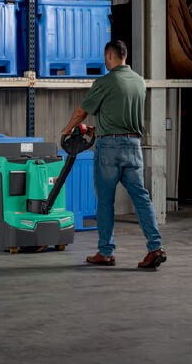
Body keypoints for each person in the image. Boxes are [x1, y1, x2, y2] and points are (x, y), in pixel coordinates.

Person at [61, 39, 167, 269]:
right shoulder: (139, 82)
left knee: (105, 202)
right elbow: (124, 117)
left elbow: (81, 111)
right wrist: (97, 129)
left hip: (109, 149)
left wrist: (68, 129)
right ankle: (155, 247)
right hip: (133, 147)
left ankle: (106, 252)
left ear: (109, 56)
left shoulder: (105, 81)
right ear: (125, 56)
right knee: (141, 198)